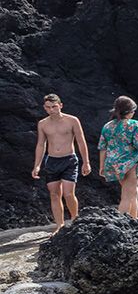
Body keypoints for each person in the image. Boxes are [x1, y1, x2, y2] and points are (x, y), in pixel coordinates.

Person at [31, 93, 91, 233]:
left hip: (69, 159)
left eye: (54, 106)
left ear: (60, 105)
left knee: (69, 194)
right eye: (48, 107)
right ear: (44, 108)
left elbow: (81, 141)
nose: (51, 109)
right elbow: (41, 145)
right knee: (54, 194)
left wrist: (86, 162)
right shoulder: (43, 124)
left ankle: (75, 219)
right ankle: (60, 226)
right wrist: (37, 165)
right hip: (52, 161)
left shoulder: (72, 120)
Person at [98, 96, 138, 219]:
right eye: (133, 111)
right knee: (126, 195)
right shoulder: (134, 124)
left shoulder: (108, 126)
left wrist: (102, 166)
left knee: (133, 192)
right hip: (132, 163)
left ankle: (134, 219)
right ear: (129, 111)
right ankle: (120, 222)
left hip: (114, 163)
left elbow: (102, 147)